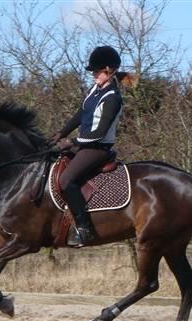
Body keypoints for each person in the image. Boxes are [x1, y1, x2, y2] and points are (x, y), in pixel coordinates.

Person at [51, 45, 136, 247]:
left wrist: (72, 141)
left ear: (110, 70)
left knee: (66, 179)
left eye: (97, 71)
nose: (94, 75)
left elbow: (98, 133)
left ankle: (84, 229)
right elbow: (81, 114)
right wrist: (60, 134)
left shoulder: (113, 98)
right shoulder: (95, 90)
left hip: (97, 149)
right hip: (84, 145)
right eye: (93, 72)